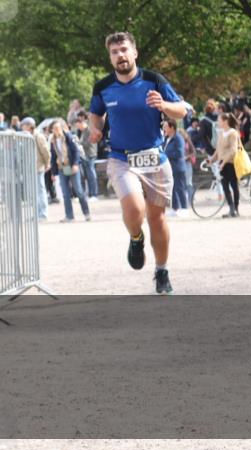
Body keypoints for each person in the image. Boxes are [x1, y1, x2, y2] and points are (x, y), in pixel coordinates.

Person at [88, 32, 187, 294]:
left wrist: (163, 104)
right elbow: (95, 114)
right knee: (134, 209)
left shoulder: (154, 80)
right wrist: (95, 129)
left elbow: (182, 110)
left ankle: (162, 270)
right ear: (110, 57)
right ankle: (135, 238)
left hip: (154, 157)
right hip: (121, 157)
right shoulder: (103, 86)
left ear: (135, 53)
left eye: (124, 50)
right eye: (114, 52)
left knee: (157, 219)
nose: (120, 55)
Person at [49, 119, 91, 222]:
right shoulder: (53, 141)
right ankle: (69, 216)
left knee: (79, 191)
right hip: (61, 168)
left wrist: (76, 164)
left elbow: (75, 151)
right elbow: (53, 157)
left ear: (62, 128)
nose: (56, 130)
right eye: (54, 129)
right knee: (65, 193)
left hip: (71, 166)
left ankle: (86, 213)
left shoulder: (68, 137)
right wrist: (53, 173)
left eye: (58, 128)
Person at [212, 113, 242, 218]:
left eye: (219, 120)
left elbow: (233, 150)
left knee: (234, 186)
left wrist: (223, 162)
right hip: (222, 163)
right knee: (225, 186)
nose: (218, 122)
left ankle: (236, 209)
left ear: (225, 121)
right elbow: (218, 149)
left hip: (231, 163)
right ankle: (231, 208)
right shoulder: (220, 133)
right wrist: (212, 159)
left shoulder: (233, 133)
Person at [21, 117, 50, 220]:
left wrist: (47, 163)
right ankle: (37, 213)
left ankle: (43, 213)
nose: (22, 128)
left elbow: (46, 151)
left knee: (40, 191)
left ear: (29, 126)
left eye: (24, 125)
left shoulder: (38, 136)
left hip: (38, 167)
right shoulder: (28, 136)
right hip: (30, 168)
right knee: (34, 192)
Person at [162, 118, 188, 217]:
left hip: (178, 167)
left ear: (172, 127)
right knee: (171, 188)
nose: (164, 129)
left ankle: (185, 208)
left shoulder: (178, 138)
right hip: (169, 168)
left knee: (180, 187)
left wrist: (165, 155)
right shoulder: (166, 138)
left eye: (166, 127)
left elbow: (180, 153)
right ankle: (175, 208)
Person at [73, 112, 99, 200]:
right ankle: (88, 194)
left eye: (78, 125)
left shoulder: (88, 130)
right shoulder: (82, 131)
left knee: (91, 175)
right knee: (86, 175)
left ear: (81, 123)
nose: (78, 128)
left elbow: (89, 143)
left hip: (90, 154)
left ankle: (94, 194)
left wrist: (78, 143)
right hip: (84, 155)